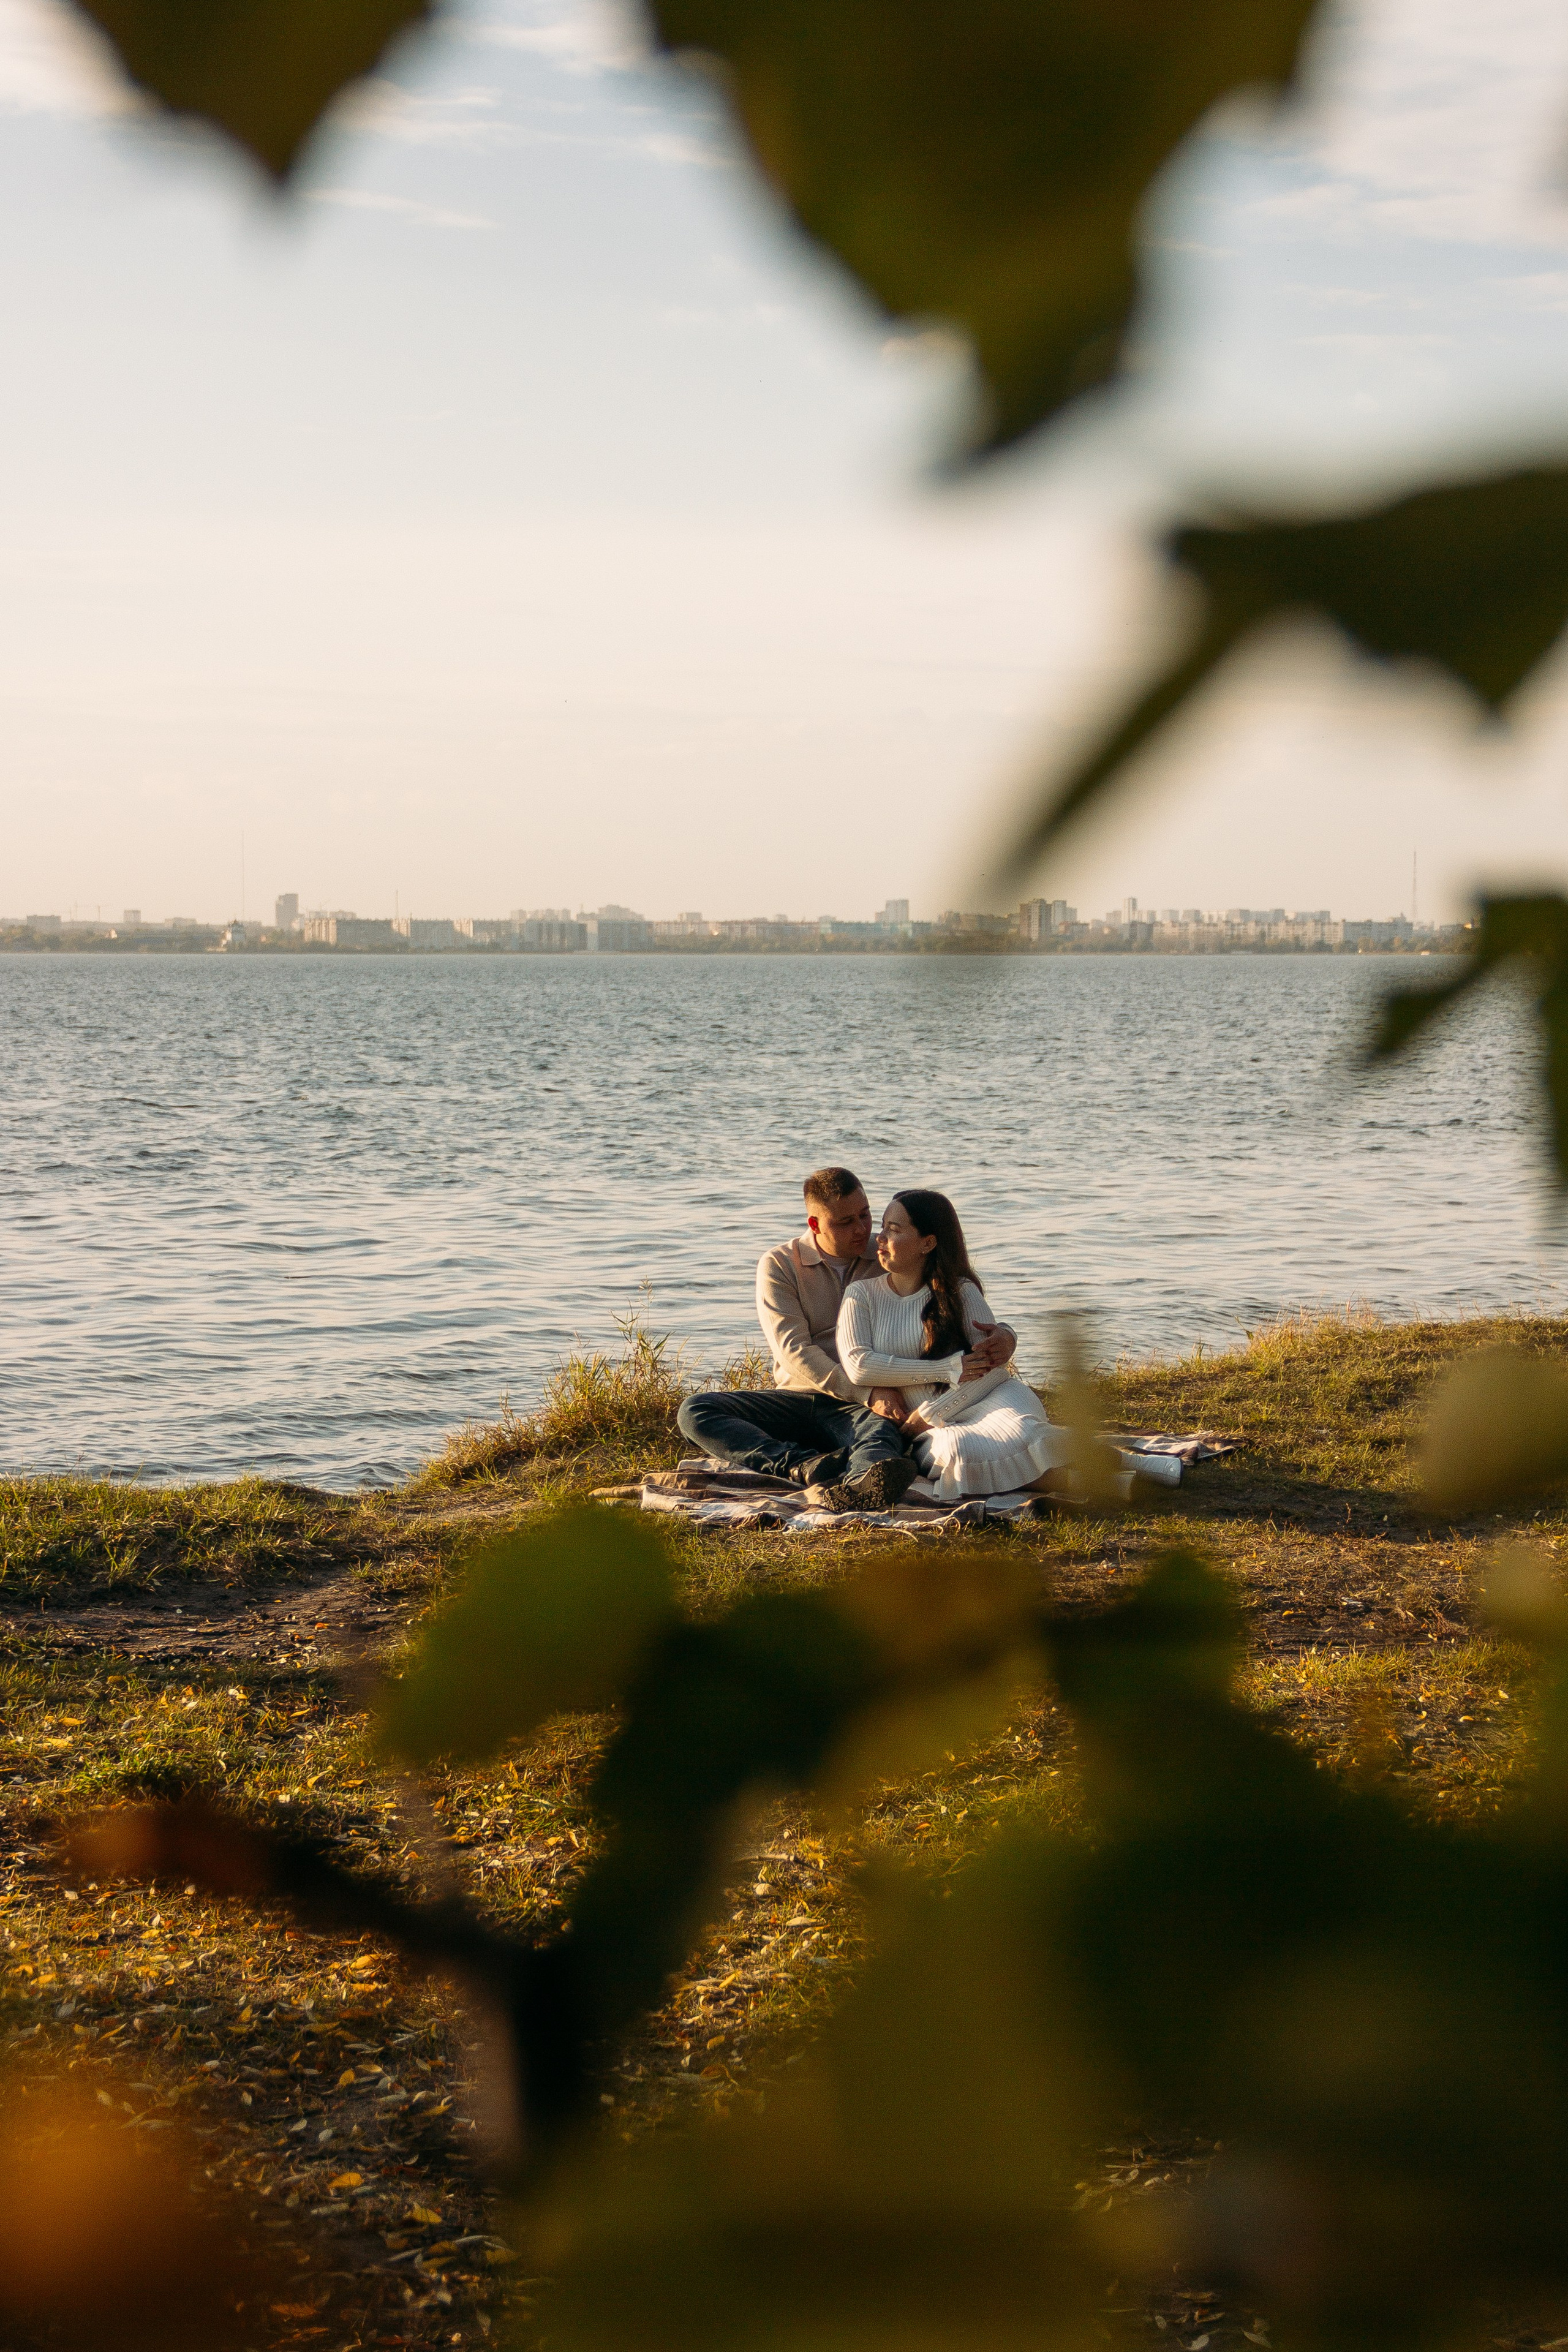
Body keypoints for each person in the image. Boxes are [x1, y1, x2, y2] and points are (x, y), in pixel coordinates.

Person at [677, 1165, 1012, 1510]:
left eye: (865, 1215)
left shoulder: (888, 1255)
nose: (862, 1229)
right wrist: (866, 1392)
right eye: (845, 1222)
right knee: (696, 1410)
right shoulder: (779, 1264)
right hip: (804, 1396)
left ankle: (865, 1483)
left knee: (879, 1437)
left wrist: (1006, 1334)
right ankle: (803, 1466)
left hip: (861, 1408)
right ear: (815, 1224)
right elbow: (795, 1350)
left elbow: (953, 1291)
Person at [838, 1189, 1180, 1501]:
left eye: (894, 1230)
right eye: (882, 1227)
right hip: (935, 1427)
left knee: (1025, 1434)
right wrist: (946, 1369)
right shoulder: (862, 1296)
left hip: (988, 1398)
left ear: (928, 1243)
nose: (879, 1238)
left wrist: (932, 1412)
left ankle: (1132, 1463)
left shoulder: (960, 1292)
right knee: (959, 1453)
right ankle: (1107, 1484)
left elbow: (990, 1371)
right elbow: (859, 1365)